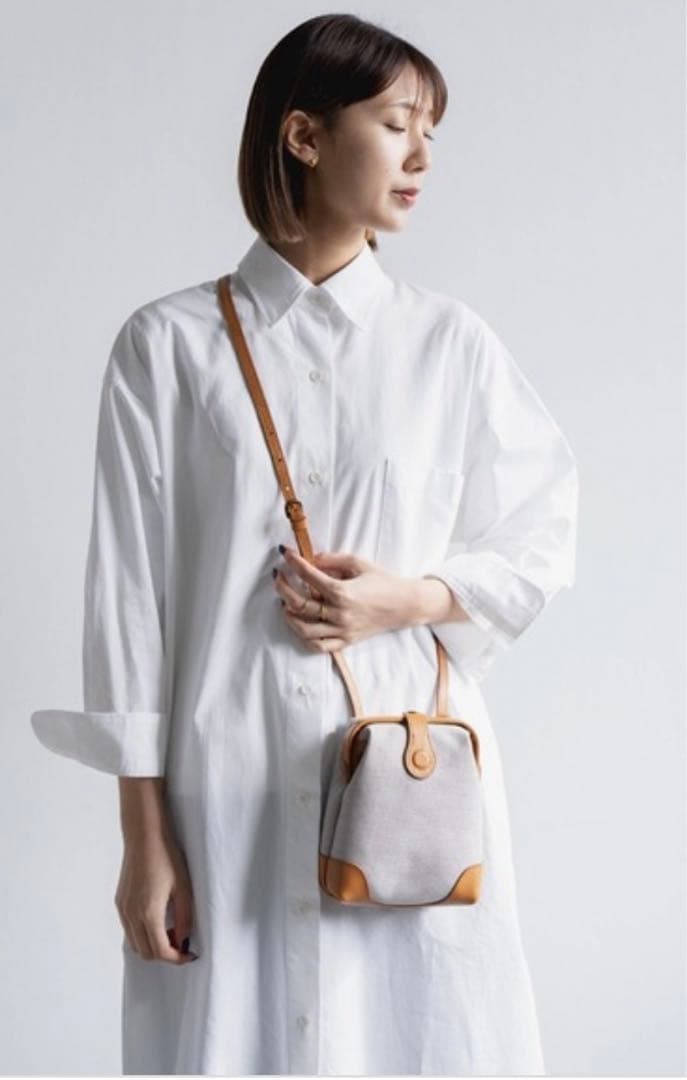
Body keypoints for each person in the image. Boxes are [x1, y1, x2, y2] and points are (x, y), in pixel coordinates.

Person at [30, 12, 578, 1076]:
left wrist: (410, 598)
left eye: (431, 133)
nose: (422, 157)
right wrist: (143, 839)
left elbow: (543, 534)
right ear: (304, 136)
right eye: (397, 124)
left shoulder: (448, 347)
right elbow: (128, 603)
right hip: (221, 788)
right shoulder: (167, 349)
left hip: (409, 791)